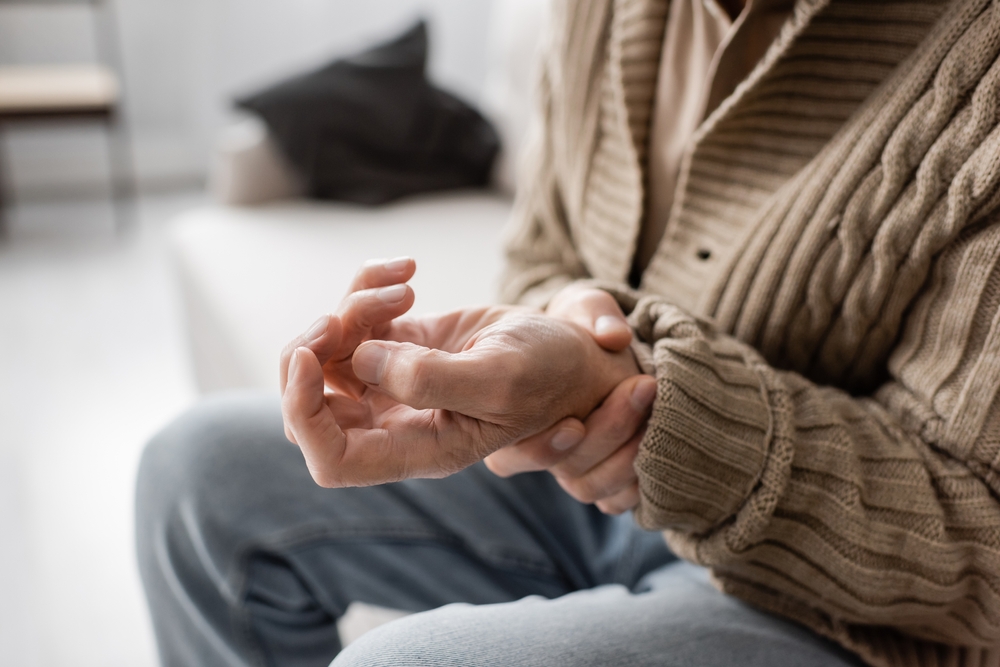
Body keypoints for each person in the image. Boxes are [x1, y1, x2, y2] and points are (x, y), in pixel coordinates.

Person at [136, 0, 1000, 665]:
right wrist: (538, 343)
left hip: (846, 600)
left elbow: (982, 544)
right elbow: (545, 248)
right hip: (596, 502)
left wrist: (644, 411)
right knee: (197, 472)